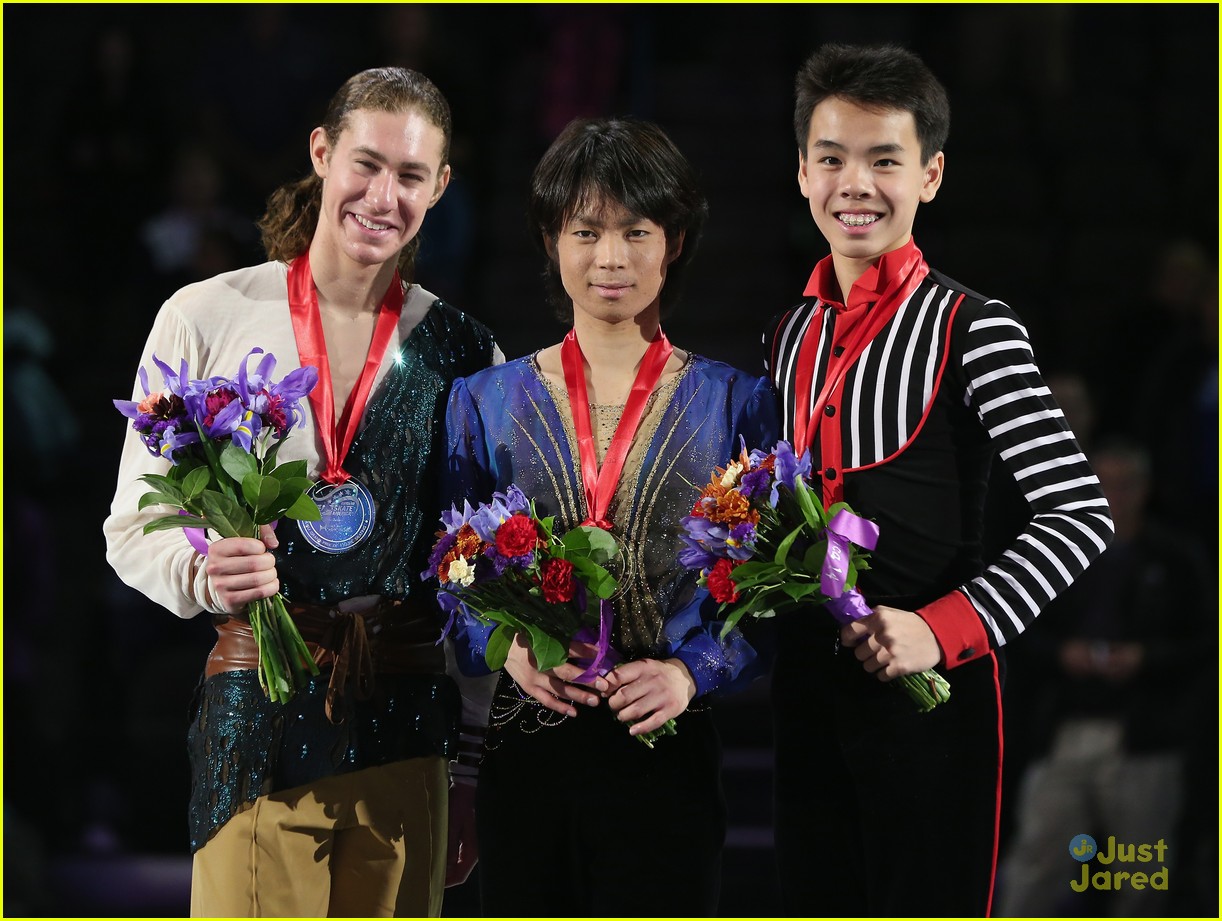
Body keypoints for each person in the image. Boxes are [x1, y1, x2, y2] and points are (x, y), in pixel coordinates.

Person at [103, 66, 500, 917]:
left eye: (410, 175)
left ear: (441, 186)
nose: (381, 195)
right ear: (321, 153)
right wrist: (203, 570)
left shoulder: (466, 352)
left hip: (409, 718)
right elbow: (134, 522)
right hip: (257, 713)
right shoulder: (205, 314)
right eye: (365, 163)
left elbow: (482, 579)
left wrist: (469, 765)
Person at [761, 43, 1114, 916]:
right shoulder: (787, 336)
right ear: (803, 171)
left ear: (932, 175)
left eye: (886, 160)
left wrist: (942, 629)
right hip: (807, 695)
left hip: (935, 700)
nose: (856, 184)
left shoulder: (976, 326)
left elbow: (1080, 513)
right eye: (833, 158)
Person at [440, 116, 778, 915]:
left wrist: (691, 672)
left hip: (666, 745)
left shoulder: (737, 402)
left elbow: (767, 598)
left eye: (637, 230)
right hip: (528, 743)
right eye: (586, 231)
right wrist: (511, 646)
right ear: (552, 240)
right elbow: (447, 584)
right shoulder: (482, 403)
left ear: (677, 240)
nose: (611, 257)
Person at [998, 438, 1208, 916]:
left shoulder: (1175, 558)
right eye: (1104, 484)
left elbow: (1202, 642)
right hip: (1065, 729)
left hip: (1144, 737)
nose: (1114, 494)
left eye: (1125, 484)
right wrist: (1061, 654)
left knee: (1140, 871)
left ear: (1144, 488)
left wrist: (1144, 658)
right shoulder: (1057, 551)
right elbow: (1021, 629)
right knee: (1039, 857)